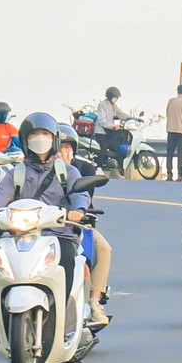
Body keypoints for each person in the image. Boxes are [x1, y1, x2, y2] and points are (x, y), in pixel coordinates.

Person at [0, 113, 90, 303]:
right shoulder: (17, 173)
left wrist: (78, 211)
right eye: (34, 135)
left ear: (54, 139)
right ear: (25, 140)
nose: (40, 139)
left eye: (45, 134)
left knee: (65, 260)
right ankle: (5, 313)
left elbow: (80, 193)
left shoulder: (68, 171)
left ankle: (61, 310)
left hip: (59, 234)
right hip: (21, 234)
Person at [54, 134, 114, 326]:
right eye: (61, 147)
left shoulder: (81, 169)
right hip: (42, 227)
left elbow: (83, 197)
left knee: (103, 249)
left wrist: (78, 213)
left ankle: (95, 300)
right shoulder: (35, 171)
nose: (65, 152)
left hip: (75, 226)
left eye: (68, 147)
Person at [94, 87, 133, 171]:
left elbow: (121, 114)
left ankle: (118, 167)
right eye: (115, 97)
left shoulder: (113, 106)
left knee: (117, 145)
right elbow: (101, 121)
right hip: (101, 132)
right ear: (110, 96)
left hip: (109, 131)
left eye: (117, 97)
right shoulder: (102, 105)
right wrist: (113, 126)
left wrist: (134, 118)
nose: (116, 99)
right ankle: (99, 168)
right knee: (103, 148)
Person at [163, 84, 182, 180]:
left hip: (171, 130)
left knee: (170, 153)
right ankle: (180, 175)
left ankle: (169, 174)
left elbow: (167, 113)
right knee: (181, 154)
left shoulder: (171, 101)